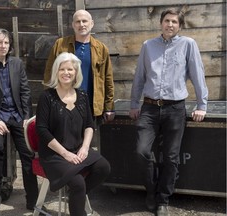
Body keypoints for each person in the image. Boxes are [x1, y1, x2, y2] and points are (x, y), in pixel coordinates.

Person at [129, 8, 208, 216]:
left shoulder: (188, 45)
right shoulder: (148, 46)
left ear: (179, 25)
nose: (170, 24)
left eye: (174, 21)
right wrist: (134, 104)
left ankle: (163, 199)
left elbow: (198, 75)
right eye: (167, 20)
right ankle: (151, 191)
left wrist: (202, 105)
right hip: (149, 108)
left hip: (175, 109)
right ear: (161, 23)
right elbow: (139, 76)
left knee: (171, 157)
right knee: (141, 151)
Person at [36, 52, 111, 216]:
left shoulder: (83, 96)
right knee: (77, 183)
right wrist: (66, 154)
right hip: (55, 154)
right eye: (62, 69)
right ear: (56, 71)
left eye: (70, 69)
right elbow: (42, 130)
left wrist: (85, 147)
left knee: (103, 167)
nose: (66, 73)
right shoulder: (46, 97)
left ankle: (75, 197)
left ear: (76, 72)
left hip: (78, 148)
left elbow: (90, 125)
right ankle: (78, 202)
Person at [0, 28, 39, 211]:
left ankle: (33, 197)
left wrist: (26, 119)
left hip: (18, 116)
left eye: (6, 42)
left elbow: (26, 93)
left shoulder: (17, 64)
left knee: (28, 153)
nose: (3, 46)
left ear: (9, 45)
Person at [43, 9, 115, 150]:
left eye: (85, 21)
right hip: (63, 105)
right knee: (64, 144)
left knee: (87, 146)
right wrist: (50, 101)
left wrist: (109, 106)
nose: (81, 24)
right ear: (72, 25)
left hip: (90, 106)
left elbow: (108, 78)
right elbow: (49, 73)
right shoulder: (60, 45)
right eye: (78, 21)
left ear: (92, 23)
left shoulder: (101, 49)